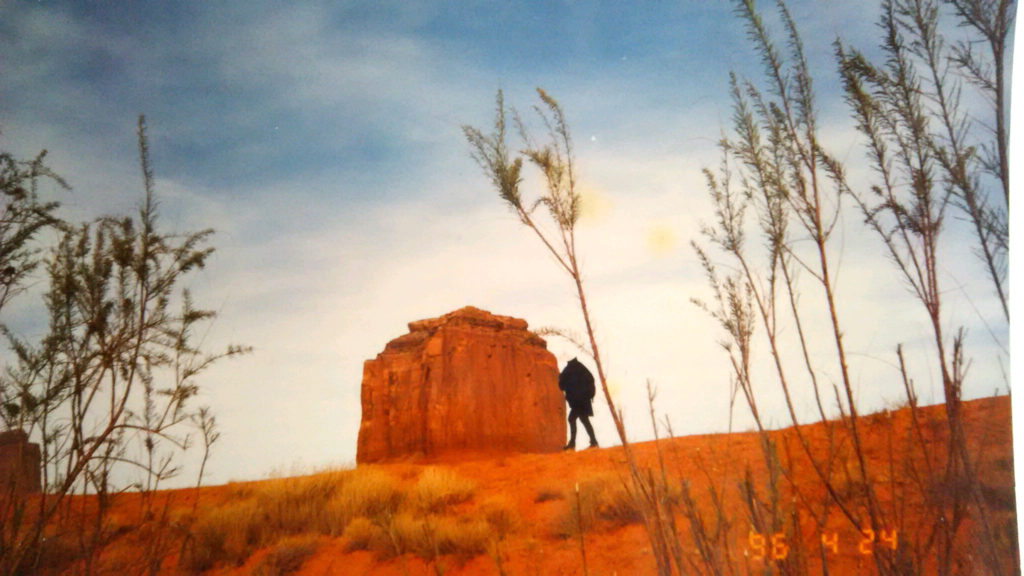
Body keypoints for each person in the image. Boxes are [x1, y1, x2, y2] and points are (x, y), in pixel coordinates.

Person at [558, 357, 598, 450]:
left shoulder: (568, 370)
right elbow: (591, 379)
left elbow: (561, 385)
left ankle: (573, 444)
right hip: (584, 401)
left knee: (572, 419)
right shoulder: (581, 367)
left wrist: (559, 378)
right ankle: (593, 442)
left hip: (577, 402)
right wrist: (589, 395)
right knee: (584, 420)